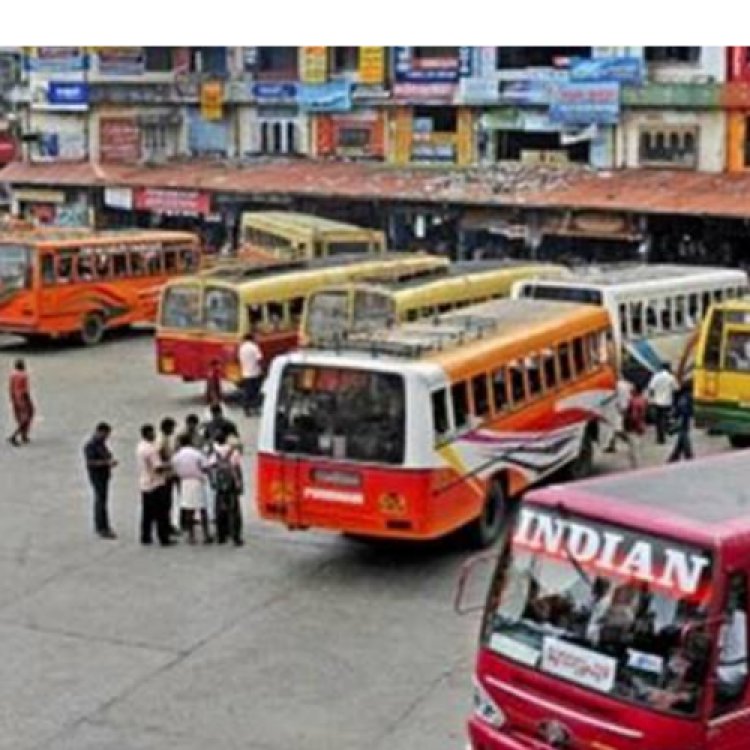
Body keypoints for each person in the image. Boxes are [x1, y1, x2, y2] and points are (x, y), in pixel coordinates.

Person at [171, 433, 213, 544]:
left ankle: (191, 536)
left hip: (185, 482)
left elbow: (174, 469)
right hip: (198, 481)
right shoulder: (197, 454)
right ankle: (206, 534)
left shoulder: (177, 455)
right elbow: (205, 467)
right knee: (202, 509)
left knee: (189, 510)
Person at [136, 424, 172, 546]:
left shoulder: (140, 446)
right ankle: (163, 537)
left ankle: (146, 536)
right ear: (147, 434)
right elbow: (158, 468)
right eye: (152, 433)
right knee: (162, 512)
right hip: (156, 483)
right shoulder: (151, 450)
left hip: (145, 483)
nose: (154, 435)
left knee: (147, 513)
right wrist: (169, 465)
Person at [83, 422, 118, 539]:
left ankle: (103, 525)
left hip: (103, 475)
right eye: (106, 434)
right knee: (100, 501)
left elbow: (105, 454)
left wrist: (109, 458)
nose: (107, 437)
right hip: (97, 476)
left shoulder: (101, 443)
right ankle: (101, 527)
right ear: (100, 431)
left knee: (102, 500)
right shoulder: (91, 445)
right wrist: (106, 462)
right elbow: (90, 462)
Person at [211, 428, 244, 546]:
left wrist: (213, 481)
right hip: (232, 484)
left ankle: (221, 535)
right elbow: (236, 468)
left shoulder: (215, 452)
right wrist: (239, 483)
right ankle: (236, 536)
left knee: (220, 509)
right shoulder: (233, 452)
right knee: (234, 510)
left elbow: (212, 466)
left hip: (220, 484)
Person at [604, 377, 637, 467]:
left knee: (617, 428)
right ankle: (611, 445)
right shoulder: (627, 384)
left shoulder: (618, 385)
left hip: (618, 407)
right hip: (622, 406)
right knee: (614, 427)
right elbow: (631, 393)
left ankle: (627, 440)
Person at [157, 417, 180, 537]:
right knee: (165, 501)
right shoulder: (161, 440)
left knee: (168, 501)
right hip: (165, 475)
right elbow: (161, 455)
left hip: (169, 473)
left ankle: (168, 523)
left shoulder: (165, 439)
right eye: (172, 428)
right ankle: (165, 525)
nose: (173, 430)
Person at [647, 362, 679, 445]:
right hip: (667, 402)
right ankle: (664, 435)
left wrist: (651, 399)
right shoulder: (671, 377)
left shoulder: (656, 376)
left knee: (658, 420)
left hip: (657, 402)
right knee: (665, 419)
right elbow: (676, 388)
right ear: (669, 368)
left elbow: (651, 388)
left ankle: (659, 437)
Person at [8, 359, 34, 446]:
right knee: (28, 416)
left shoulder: (12, 375)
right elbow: (25, 390)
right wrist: (29, 401)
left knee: (20, 417)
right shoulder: (24, 376)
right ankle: (15, 436)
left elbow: (10, 388)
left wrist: (12, 399)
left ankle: (24, 435)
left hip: (15, 398)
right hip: (23, 398)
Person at [238, 332, 263, 416]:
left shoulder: (241, 348)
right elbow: (259, 359)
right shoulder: (254, 347)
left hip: (245, 373)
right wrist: (262, 368)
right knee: (256, 392)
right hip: (255, 373)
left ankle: (246, 408)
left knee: (247, 391)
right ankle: (255, 408)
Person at [668, 382, 695, 463]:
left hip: (683, 418)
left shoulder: (684, 397)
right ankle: (683, 454)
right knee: (683, 435)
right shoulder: (688, 397)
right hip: (685, 418)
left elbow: (681, 408)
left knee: (683, 435)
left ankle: (677, 455)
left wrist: (675, 415)